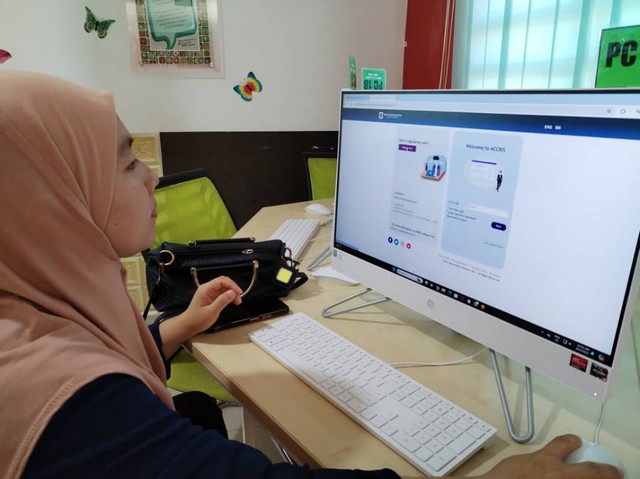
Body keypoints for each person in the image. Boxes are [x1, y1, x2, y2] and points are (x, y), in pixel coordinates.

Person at [0, 71, 624, 479]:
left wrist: (175, 329)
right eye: (127, 163)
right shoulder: (63, 405)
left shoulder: (31, 307)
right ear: (51, 201)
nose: (153, 176)